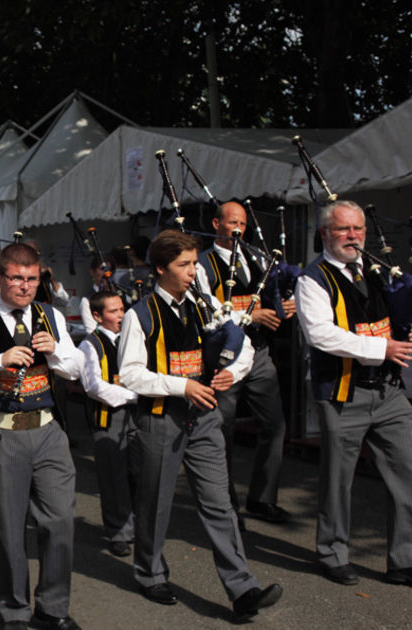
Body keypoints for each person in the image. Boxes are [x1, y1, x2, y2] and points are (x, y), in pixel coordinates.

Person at [118, 229, 281, 619]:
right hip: (161, 419)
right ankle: (150, 572)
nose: (193, 271)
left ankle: (242, 588)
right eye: (184, 264)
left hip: (205, 417)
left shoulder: (206, 306)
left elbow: (242, 345)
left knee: (219, 504)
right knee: (156, 501)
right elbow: (130, 375)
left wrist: (232, 373)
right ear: (160, 268)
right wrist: (182, 385)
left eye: (194, 263)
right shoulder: (138, 315)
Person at [295, 199, 412, 589]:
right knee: (337, 479)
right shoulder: (311, 279)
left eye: (358, 230)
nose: (353, 237)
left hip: (390, 393)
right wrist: (384, 349)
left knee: (406, 474)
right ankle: (332, 553)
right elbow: (320, 334)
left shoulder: (379, 269)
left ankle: (408, 560)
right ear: (325, 234)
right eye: (344, 230)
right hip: (343, 393)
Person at [0, 242, 84, 630]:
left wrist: (56, 352)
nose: (25, 287)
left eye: (32, 278)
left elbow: (77, 370)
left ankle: (53, 608)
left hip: (47, 430)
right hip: (2, 433)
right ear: (0, 277)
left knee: (59, 521)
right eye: (17, 278)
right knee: (8, 527)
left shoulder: (50, 316)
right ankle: (14, 609)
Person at [197, 201, 293, 526]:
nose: (239, 229)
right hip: (225, 356)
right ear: (216, 224)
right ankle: (226, 507)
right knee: (222, 431)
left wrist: (283, 307)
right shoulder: (202, 265)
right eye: (232, 222)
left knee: (274, 424)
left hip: (260, 352)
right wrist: (251, 314)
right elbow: (208, 309)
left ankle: (262, 499)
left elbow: (271, 297)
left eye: (243, 223)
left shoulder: (257, 258)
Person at [78, 290, 138, 558]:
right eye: (113, 312)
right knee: (114, 476)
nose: (121, 316)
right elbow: (94, 387)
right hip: (109, 416)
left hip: (138, 414)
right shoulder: (90, 344)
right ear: (97, 316)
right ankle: (119, 532)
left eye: (122, 309)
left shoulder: (133, 338)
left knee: (138, 471)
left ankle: (137, 523)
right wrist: (136, 395)